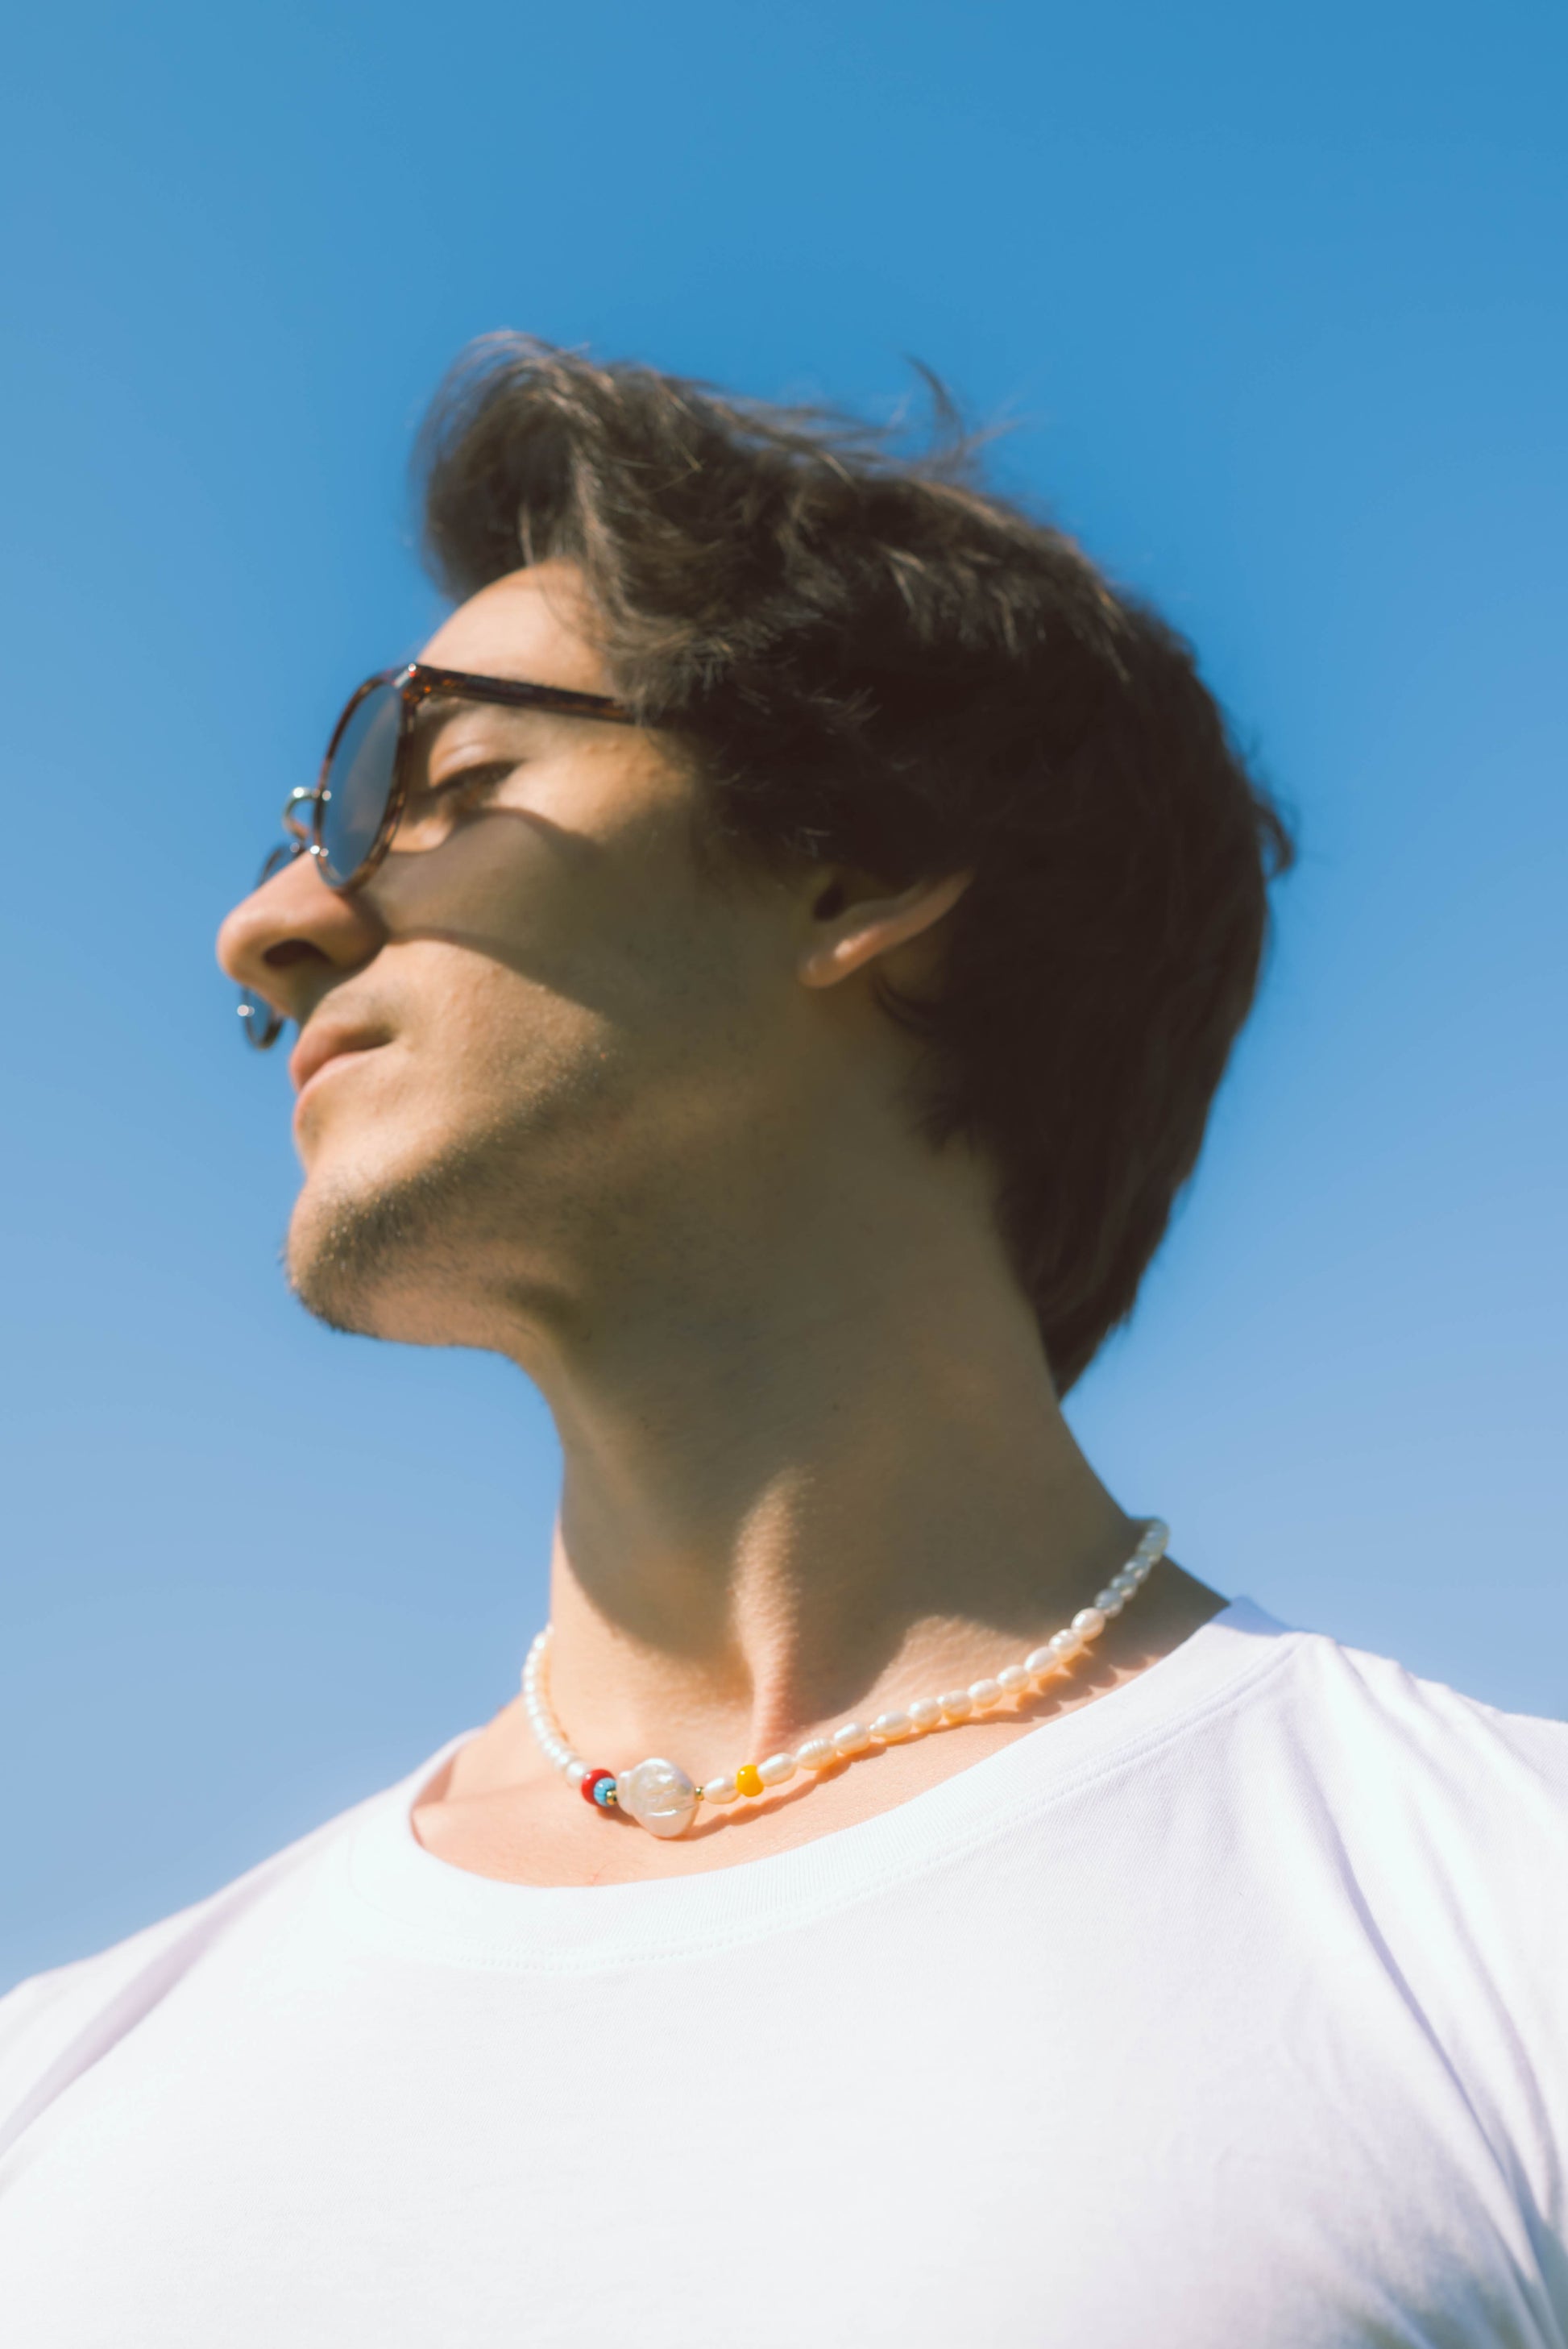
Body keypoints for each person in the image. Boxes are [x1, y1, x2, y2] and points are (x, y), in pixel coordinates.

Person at [2, 338, 1563, 2348]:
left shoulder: (1499, 1941)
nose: (274, 923)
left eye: (436, 784)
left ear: (858, 865)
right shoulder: (58, 2097)